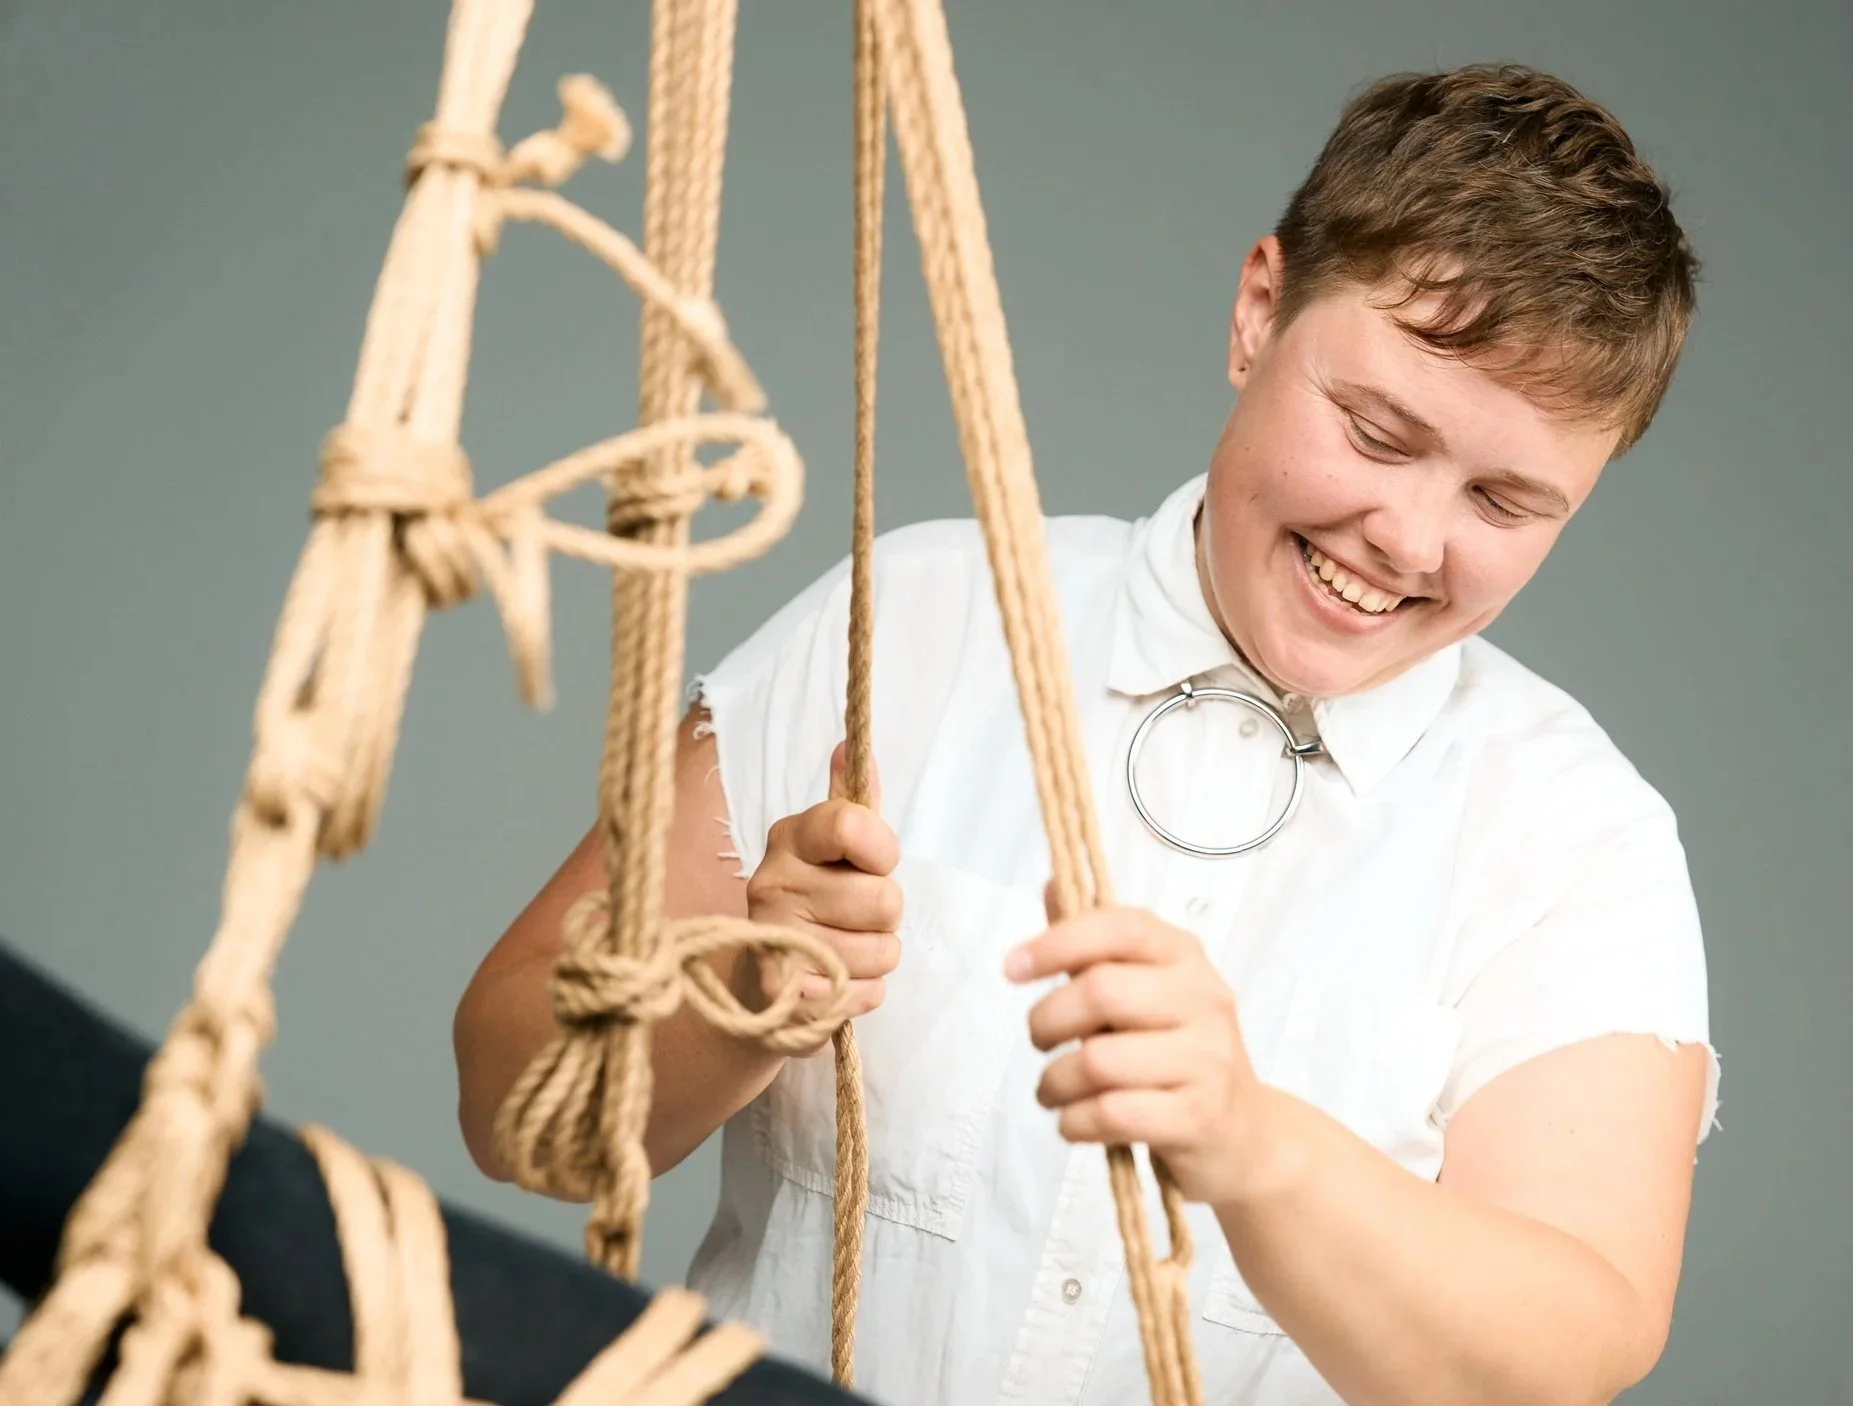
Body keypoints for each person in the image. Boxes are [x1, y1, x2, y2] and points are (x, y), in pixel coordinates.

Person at [454, 62, 1717, 1406]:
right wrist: (743, 1000)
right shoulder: (921, 617)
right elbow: (505, 1103)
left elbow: (1568, 1352)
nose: (1406, 538)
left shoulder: (1579, 838)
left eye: (1506, 501)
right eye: (1373, 430)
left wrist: (1255, 1142)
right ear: (1256, 311)